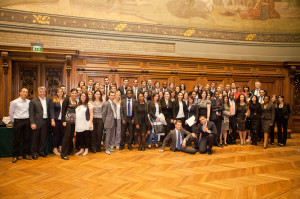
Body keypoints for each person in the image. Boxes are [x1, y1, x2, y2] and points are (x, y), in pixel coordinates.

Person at [9, 88, 31, 163]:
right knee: (17, 139)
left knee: (26, 139)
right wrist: (14, 121)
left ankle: (25, 154)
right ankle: (15, 156)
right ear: (20, 93)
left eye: (26, 92)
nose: (25, 93)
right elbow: (11, 113)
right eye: (23, 92)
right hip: (18, 121)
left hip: (27, 121)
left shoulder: (29, 102)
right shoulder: (14, 102)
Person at [29, 86, 51, 160]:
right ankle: (34, 153)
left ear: (45, 92)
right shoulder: (33, 101)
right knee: (35, 139)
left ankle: (41, 152)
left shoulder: (48, 100)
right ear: (38, 92)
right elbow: (31, 113)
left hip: (46, 122)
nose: (42, 93)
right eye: (40, 91)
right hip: (36, 122)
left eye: (43, 91)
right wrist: (32, 123)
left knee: (43, 138)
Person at [61, 88, 78, 160]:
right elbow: (63, 110)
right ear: (70, 93)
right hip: (67, 121)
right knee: (66, 137)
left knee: (71, 137)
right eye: (73, 93)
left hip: (73, 122)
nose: (74, 94)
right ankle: (63, 154)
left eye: (75, 93)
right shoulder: (67, 100)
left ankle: (68, 151)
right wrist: (63, 121)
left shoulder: (76, 101)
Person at [49, 88, 65, 156]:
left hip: (63, 120)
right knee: (56, 134)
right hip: (55, 120)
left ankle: (60, 147)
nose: (60, 93)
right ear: (56, 93)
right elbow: (51, 110)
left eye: (61, 92)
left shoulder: (65, 100)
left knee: (62, 134)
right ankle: (55, 148)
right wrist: (52, 120)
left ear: (63, 93)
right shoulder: (53, 100)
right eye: (58, 92)